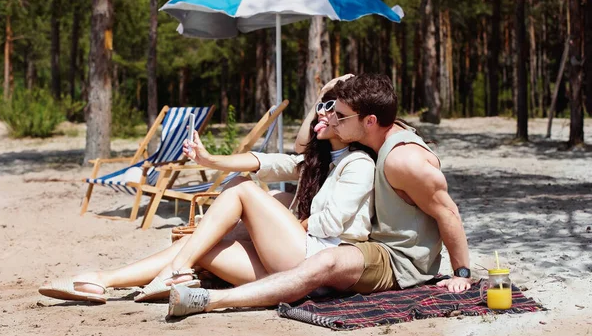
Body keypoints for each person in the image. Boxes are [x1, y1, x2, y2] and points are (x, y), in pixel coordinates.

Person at [168, 73, 471, 317]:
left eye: (340, 115)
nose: (331, 120)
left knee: (325, 261)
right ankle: (171, 276)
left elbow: (447, 211)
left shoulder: (404, 160)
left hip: (399, 260)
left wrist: (462, 272)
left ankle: (209, 299)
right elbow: (301, 151)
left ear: (369, 121)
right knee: (257, 219)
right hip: (374, 243)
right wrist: (322, 98)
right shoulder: (372, 137)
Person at [38, 86, 376, 304]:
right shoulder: (316, 159)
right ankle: (103, 281)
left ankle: (176, 270)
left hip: (316, 264)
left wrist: (288, 220)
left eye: (335, 110)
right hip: (289, 271)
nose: (324, 112)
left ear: (358, 123)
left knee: (242, 189)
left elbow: (331, 223)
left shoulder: (358, 163)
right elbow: (270, 161)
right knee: (205, 243)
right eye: (323, 104)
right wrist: (209, 160)